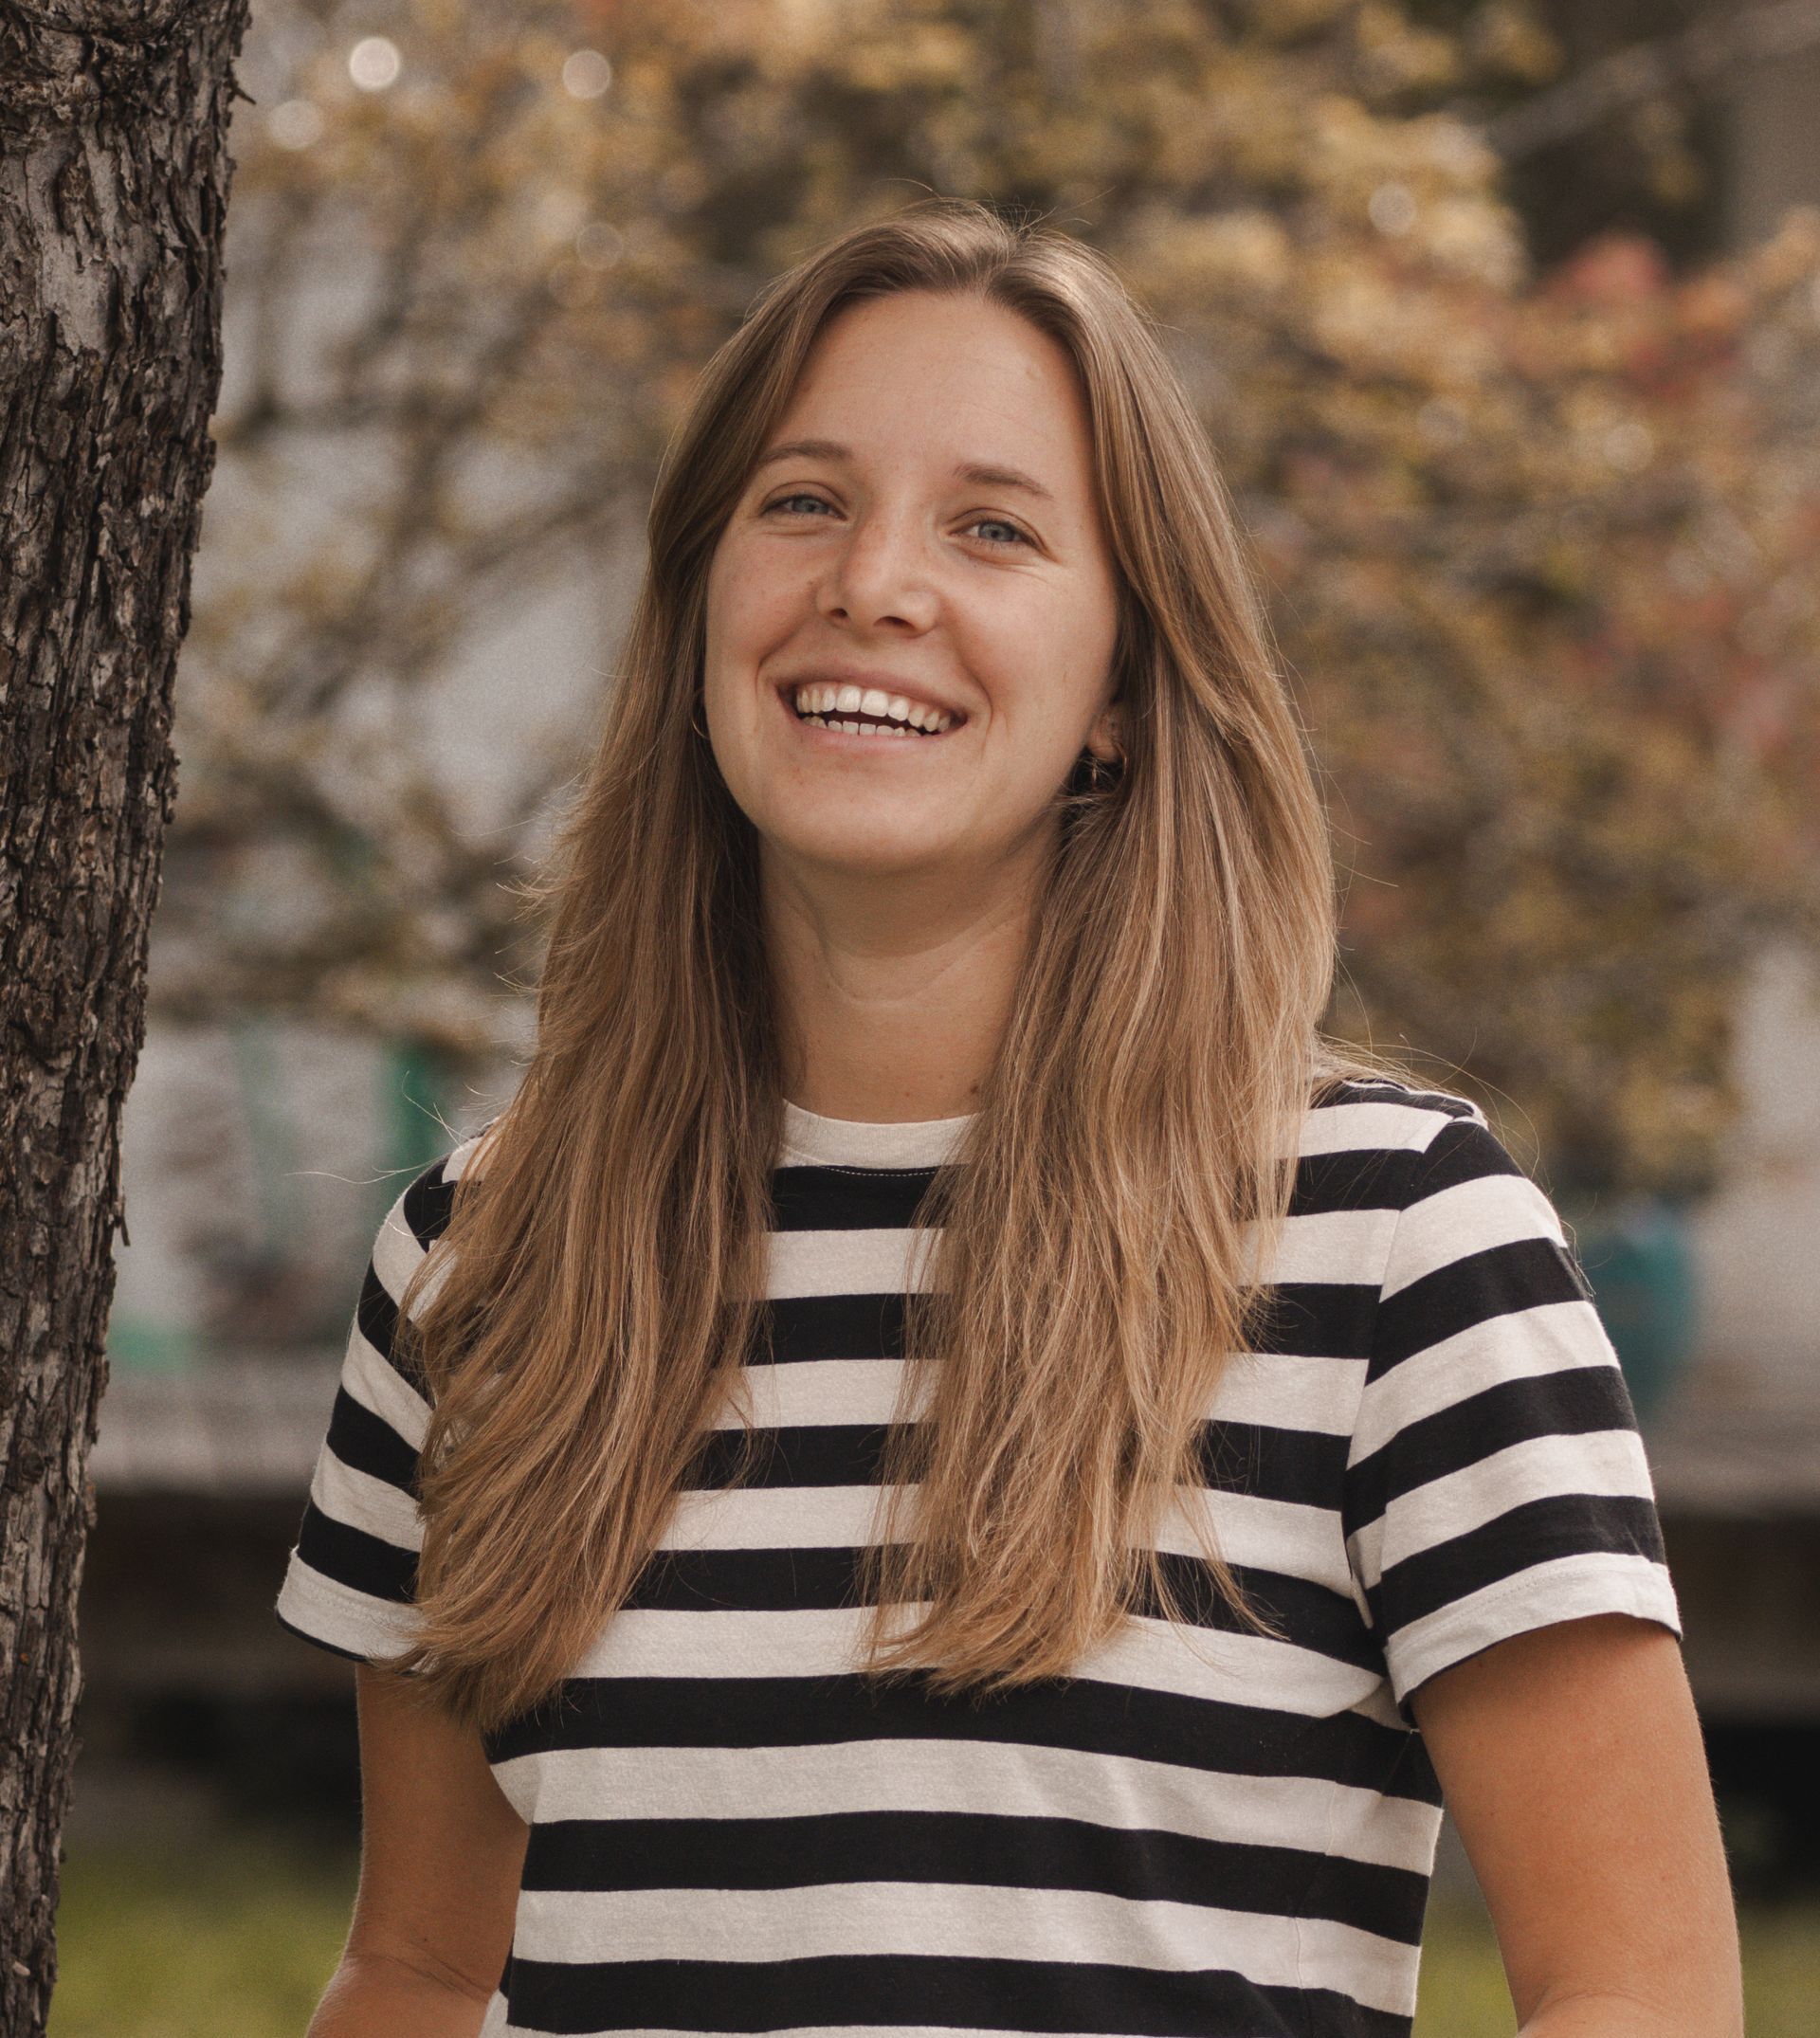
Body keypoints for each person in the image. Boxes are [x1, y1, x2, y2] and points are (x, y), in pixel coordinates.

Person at [276, 197, 1742, 2038]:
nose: (874, 582)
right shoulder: (481, 1263)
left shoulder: (1398, 1247)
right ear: (701, 602)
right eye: (803, 501)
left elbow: (1642, 1991)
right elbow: (421, 1966)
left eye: (993, 527)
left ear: (1121, 687)